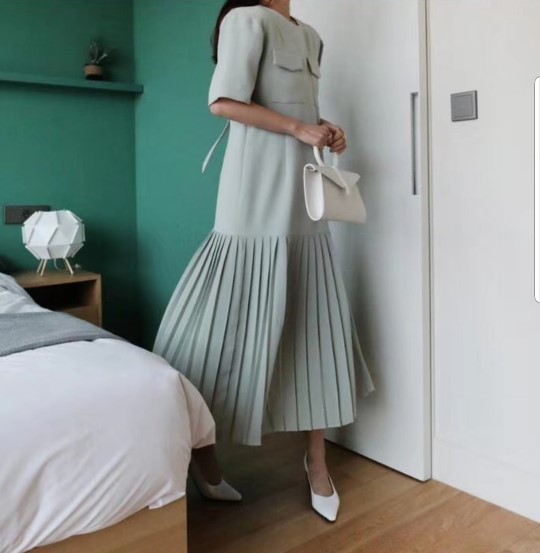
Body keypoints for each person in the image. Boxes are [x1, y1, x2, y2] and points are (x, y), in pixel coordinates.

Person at [153, 0, 374, 522]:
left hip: (304, 192)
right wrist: (299, 129)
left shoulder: (311, 35)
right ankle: (204, 458)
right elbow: (223, 102)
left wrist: (324, 127)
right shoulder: (245, 20)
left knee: (313, 326)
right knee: (216, 330)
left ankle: (316, 462)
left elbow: (295, 108)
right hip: (253, 191)